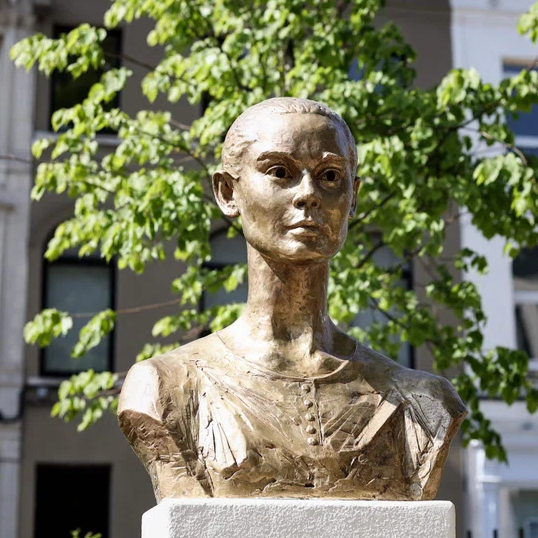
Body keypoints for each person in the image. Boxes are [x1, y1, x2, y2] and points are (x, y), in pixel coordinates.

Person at [118, 97, 467, 500]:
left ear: (353, 197)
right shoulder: (164, 387)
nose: (308, 195)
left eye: (330, 176)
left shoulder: (422, 404)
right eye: (280, 172)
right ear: (228, 192)